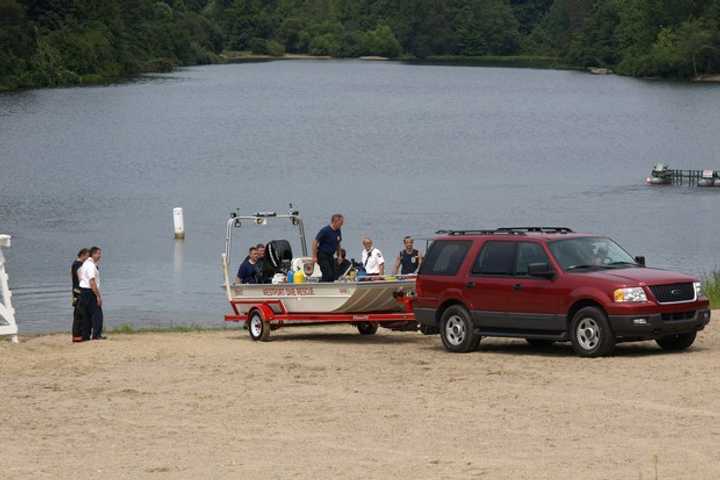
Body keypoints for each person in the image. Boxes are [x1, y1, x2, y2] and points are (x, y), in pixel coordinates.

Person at [77, 246, 103, 341]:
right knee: (97, 314)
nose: (100, 256)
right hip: (90, 291)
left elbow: (79, 274)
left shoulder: (84, 264)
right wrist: (98, 296)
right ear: (93, 254)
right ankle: (96, 335)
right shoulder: (91, 265)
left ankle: (85, 336)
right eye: (98, 253)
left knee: (86, 315)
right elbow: (92, 281)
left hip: (83, 291)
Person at [312, 214, 343, 282]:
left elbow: (338, 243)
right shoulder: (325, 230)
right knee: (328, 274)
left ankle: (330, 289)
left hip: (330, 255)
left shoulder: (338, 230)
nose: (342, 224)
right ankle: (320, 285)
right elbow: (315, 242)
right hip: (322, 255)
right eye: (340, 223)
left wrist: (339, 255)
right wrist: (314, 256)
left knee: (334, 276)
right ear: (335, 222)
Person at [71, 248, 90, 342]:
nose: (88, 258)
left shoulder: (74, 264)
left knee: (77, 313)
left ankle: (77, 335)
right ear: (82, 255)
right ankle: (78, 335)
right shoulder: (79, 265)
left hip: (75, 291)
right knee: (80, 313)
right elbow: (81, 279)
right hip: (79, 292)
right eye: (87, 256)